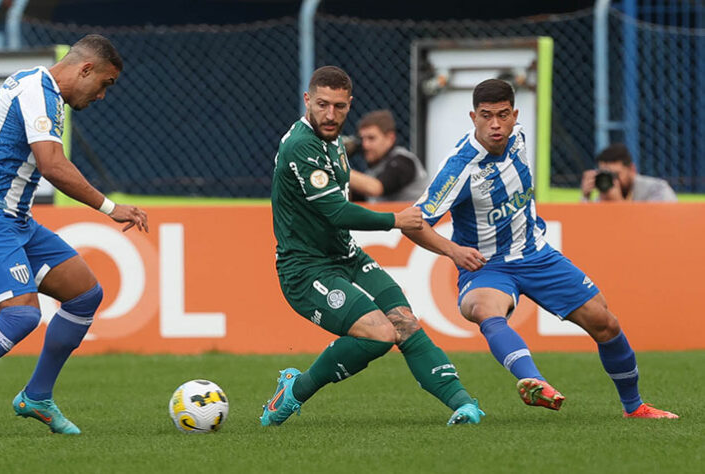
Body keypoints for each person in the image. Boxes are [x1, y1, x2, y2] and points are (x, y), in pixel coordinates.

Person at [0, 34, 149, 439]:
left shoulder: (44, 92)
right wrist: (109, 207)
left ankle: (36, 396)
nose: (102, 95)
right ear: (85, 69)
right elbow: (53, 165)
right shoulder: (37, 87)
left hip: (15, 220)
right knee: (21, 317)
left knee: (85, 294)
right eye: (105, 84)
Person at [403, 78, 678, 419]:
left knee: (605, 323)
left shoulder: (517, 137)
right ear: (472, 117)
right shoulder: (459, 168)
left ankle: (634, 407)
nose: (495, 125)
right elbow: (412, 221)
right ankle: (532, 381)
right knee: (483, 309)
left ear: (515, 115)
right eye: (486, 116)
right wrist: (453, 251)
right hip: (489, 264)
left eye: (503, 115)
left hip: (536, 254)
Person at [261, 65, 486, 428]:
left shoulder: (332, 139)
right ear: (307, 100)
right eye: (322, 104)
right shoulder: (302, 146)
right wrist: (395, 221)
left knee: (404, 322)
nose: (330, 114)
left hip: (346, 256)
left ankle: (464, 404)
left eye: (339, 106)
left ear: (349, 104)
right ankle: (293, 390)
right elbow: (334, 210)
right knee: (381, 333)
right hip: (305, 270)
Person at [347, 109, 428, 202]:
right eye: (362, 139)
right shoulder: (373, 170)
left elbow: (376, 188)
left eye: (371, 138)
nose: (365, 145)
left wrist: (337, 168)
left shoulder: (403, 161)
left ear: (390, 138)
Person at [580, 143, 676, 202]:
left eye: (615, 175)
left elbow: (659, 226)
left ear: (632, 169)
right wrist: (585, 198)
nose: (613, 181)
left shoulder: (656, 189)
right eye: (606, 175)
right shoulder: (604, 196)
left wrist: (618, 204)